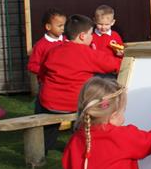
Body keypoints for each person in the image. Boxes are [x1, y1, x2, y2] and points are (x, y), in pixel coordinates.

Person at [38, 14, 124, 152]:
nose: (92, 37)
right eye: (91, 34)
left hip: (49, 103)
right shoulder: (87, 53)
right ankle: (83, 142)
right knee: (95, 92)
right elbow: (116, 65)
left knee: (42, 97)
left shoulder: (53, 51)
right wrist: (122, 56)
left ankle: (44, 146)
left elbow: (42, 74)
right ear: (83, 36)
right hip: (75, 104)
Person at [27, 8, 66, 83]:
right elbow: (32, 66)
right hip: (47, 83)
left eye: (64, 25)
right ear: (48, 27)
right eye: (60, 26)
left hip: (65, 82)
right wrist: (46, 71)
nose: (63, 28)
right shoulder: (40, 45)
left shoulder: (67, 41)